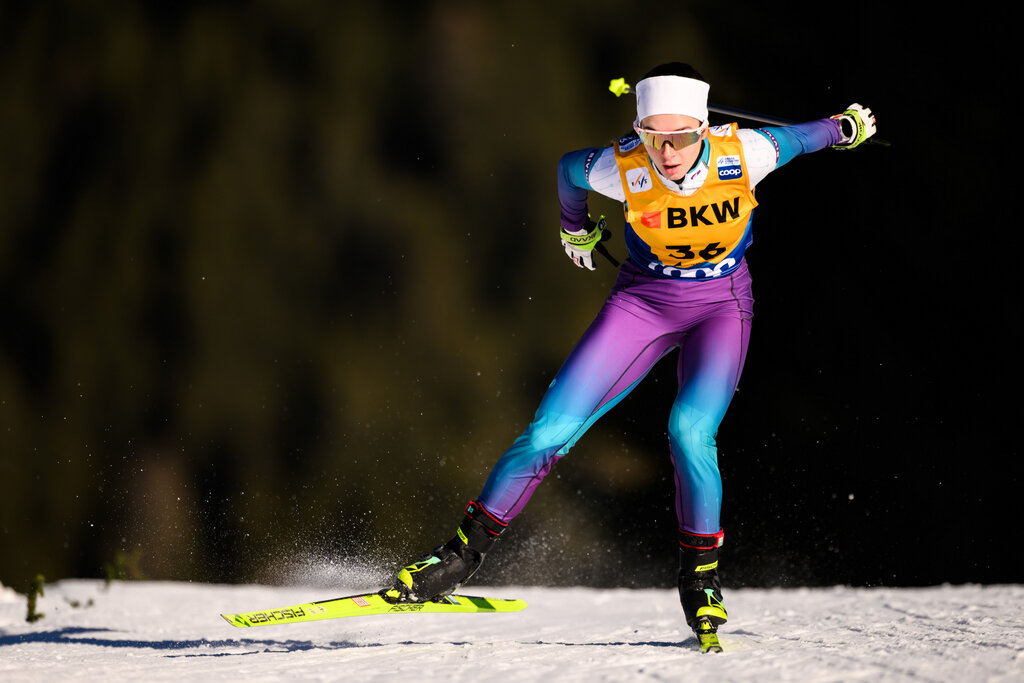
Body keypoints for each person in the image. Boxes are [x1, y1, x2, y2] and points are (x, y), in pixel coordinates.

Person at [381, 62, 877, 642]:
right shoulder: (622, 166)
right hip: (642, 304)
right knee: (546, 433)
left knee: (690, 432)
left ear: (703, 127)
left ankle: (701, 579)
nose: (667, 153)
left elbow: (809, 136)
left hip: (720, 308)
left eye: (681, 137)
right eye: (652, 137)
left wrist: (846, 127)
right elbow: (568, 170)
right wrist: (574, 227)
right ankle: (459, 557)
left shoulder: (748, 152)